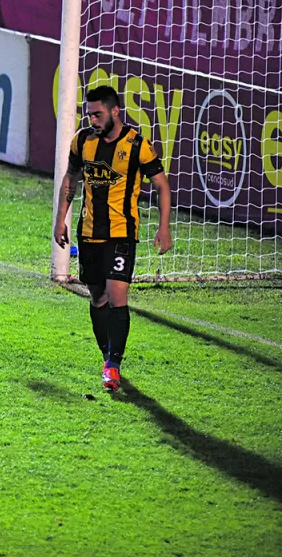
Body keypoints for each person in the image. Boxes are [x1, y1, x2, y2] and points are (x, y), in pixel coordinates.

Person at [53, 85, 172, 391]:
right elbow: (71, 178)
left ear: (114, 111)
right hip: (90, 232)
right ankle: (108, 355)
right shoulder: (82, 141)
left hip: (122, 233)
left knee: (117, 297)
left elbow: (161, 185)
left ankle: (113, 366)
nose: (91, 119)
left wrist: (164, 227)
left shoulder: (137, 146)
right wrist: (60, 220)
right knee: (97, 296)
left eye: (97, 113)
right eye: (88, 113)